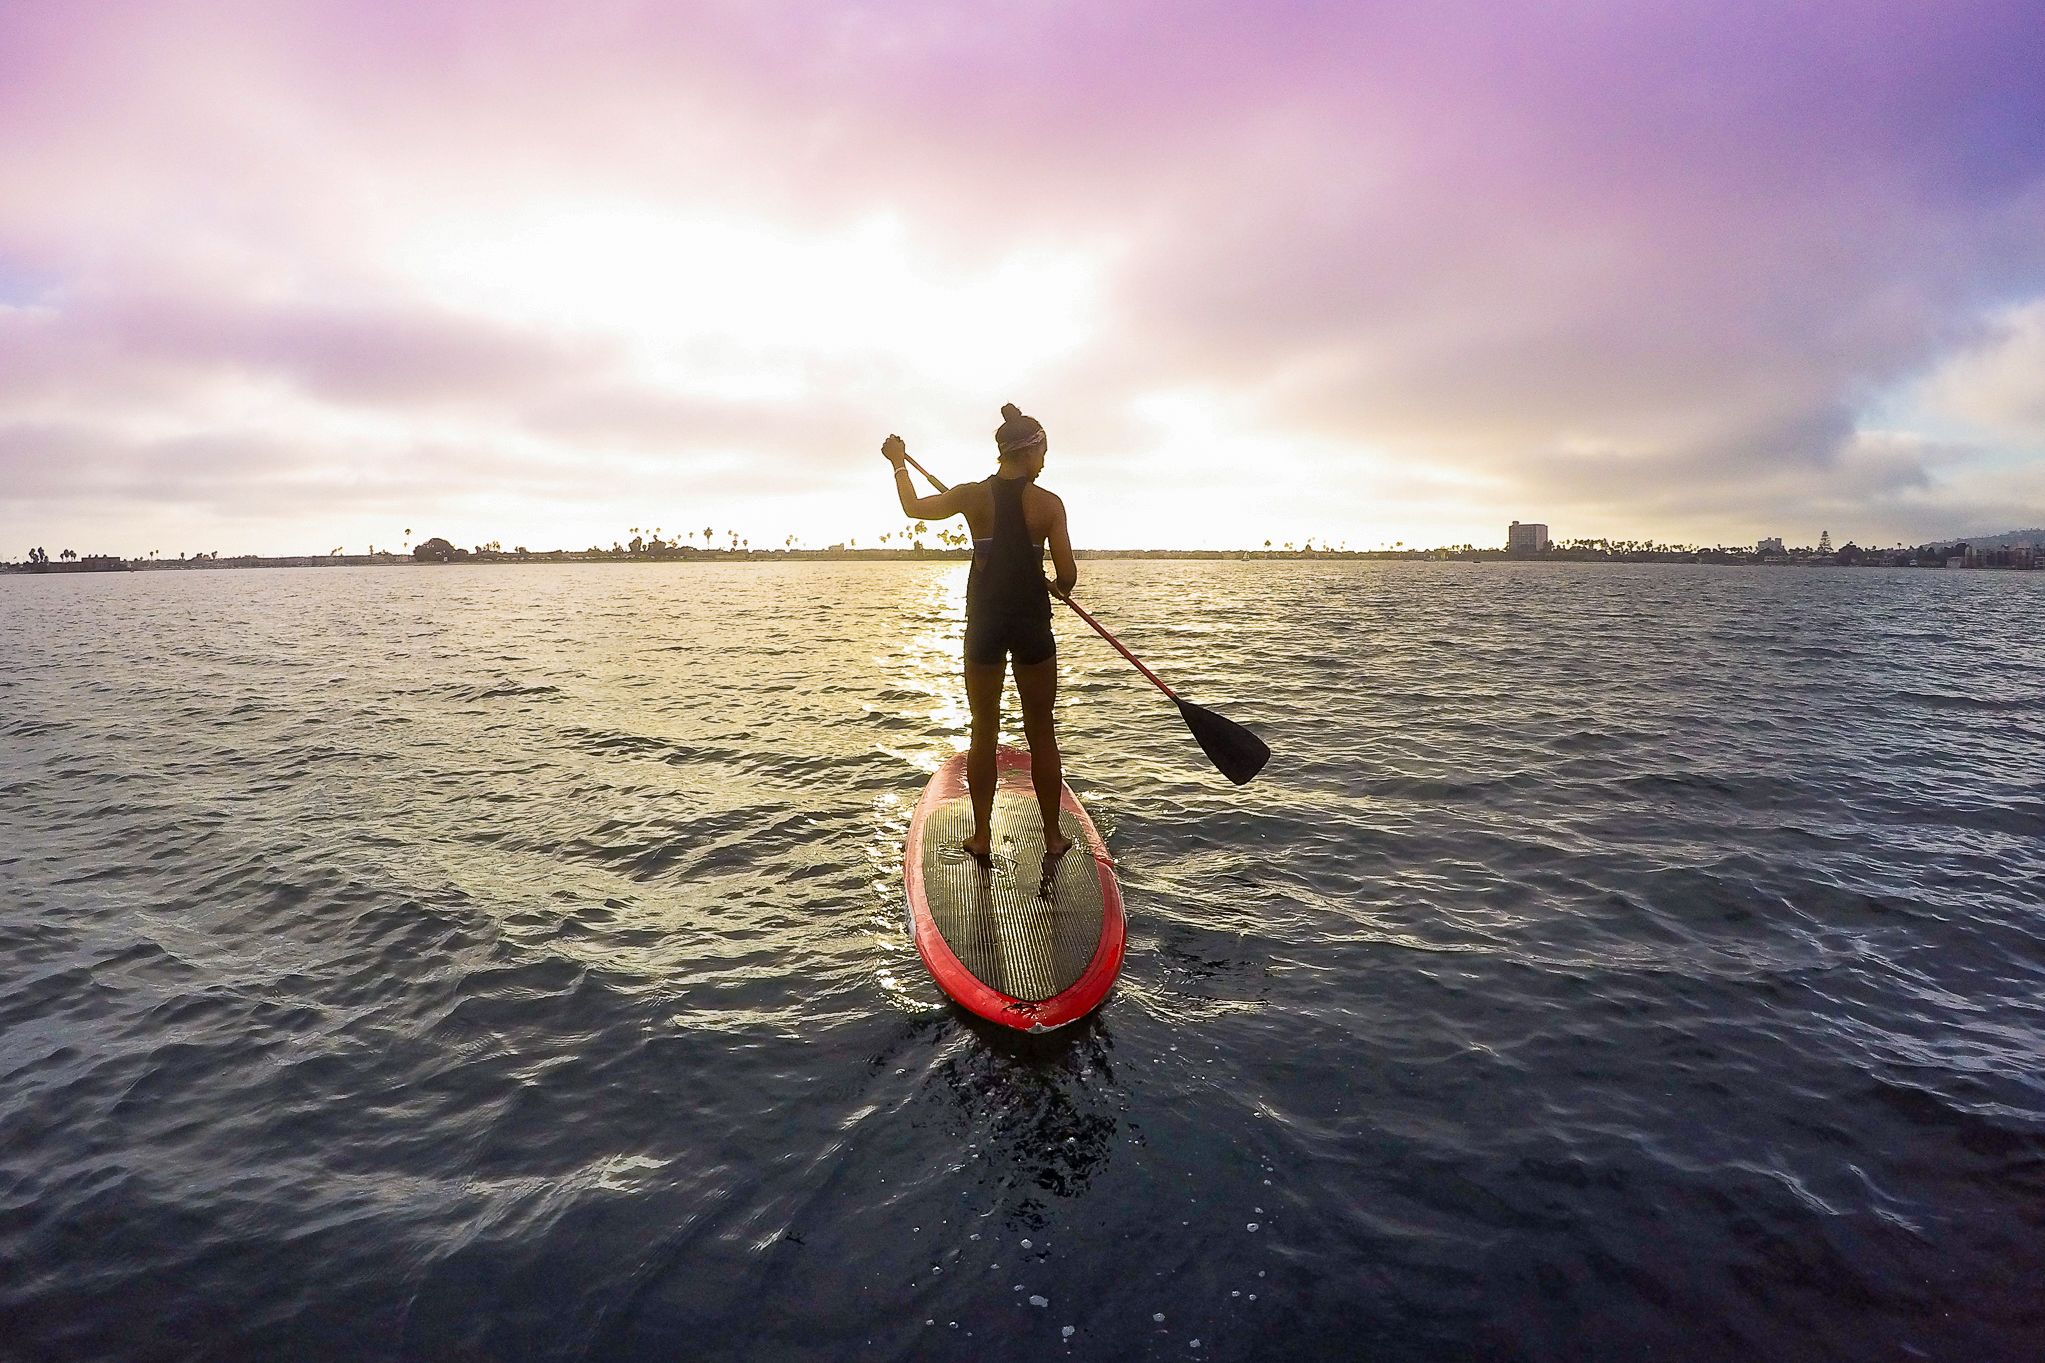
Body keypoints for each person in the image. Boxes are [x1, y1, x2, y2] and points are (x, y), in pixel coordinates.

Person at [883, 403, 1079, 865]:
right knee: (1042, 733)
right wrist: (1056, 585)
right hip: (1032, 624)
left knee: (983, 731)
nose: (1046, 461)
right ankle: (1052, 838)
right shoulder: (1049, 505)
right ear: (1029, 452)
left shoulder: (971, 496)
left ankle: (982, 837)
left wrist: (897, 462)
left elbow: (913, 508)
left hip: (985, 625)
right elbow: (1067, 575)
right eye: (1044, 451)